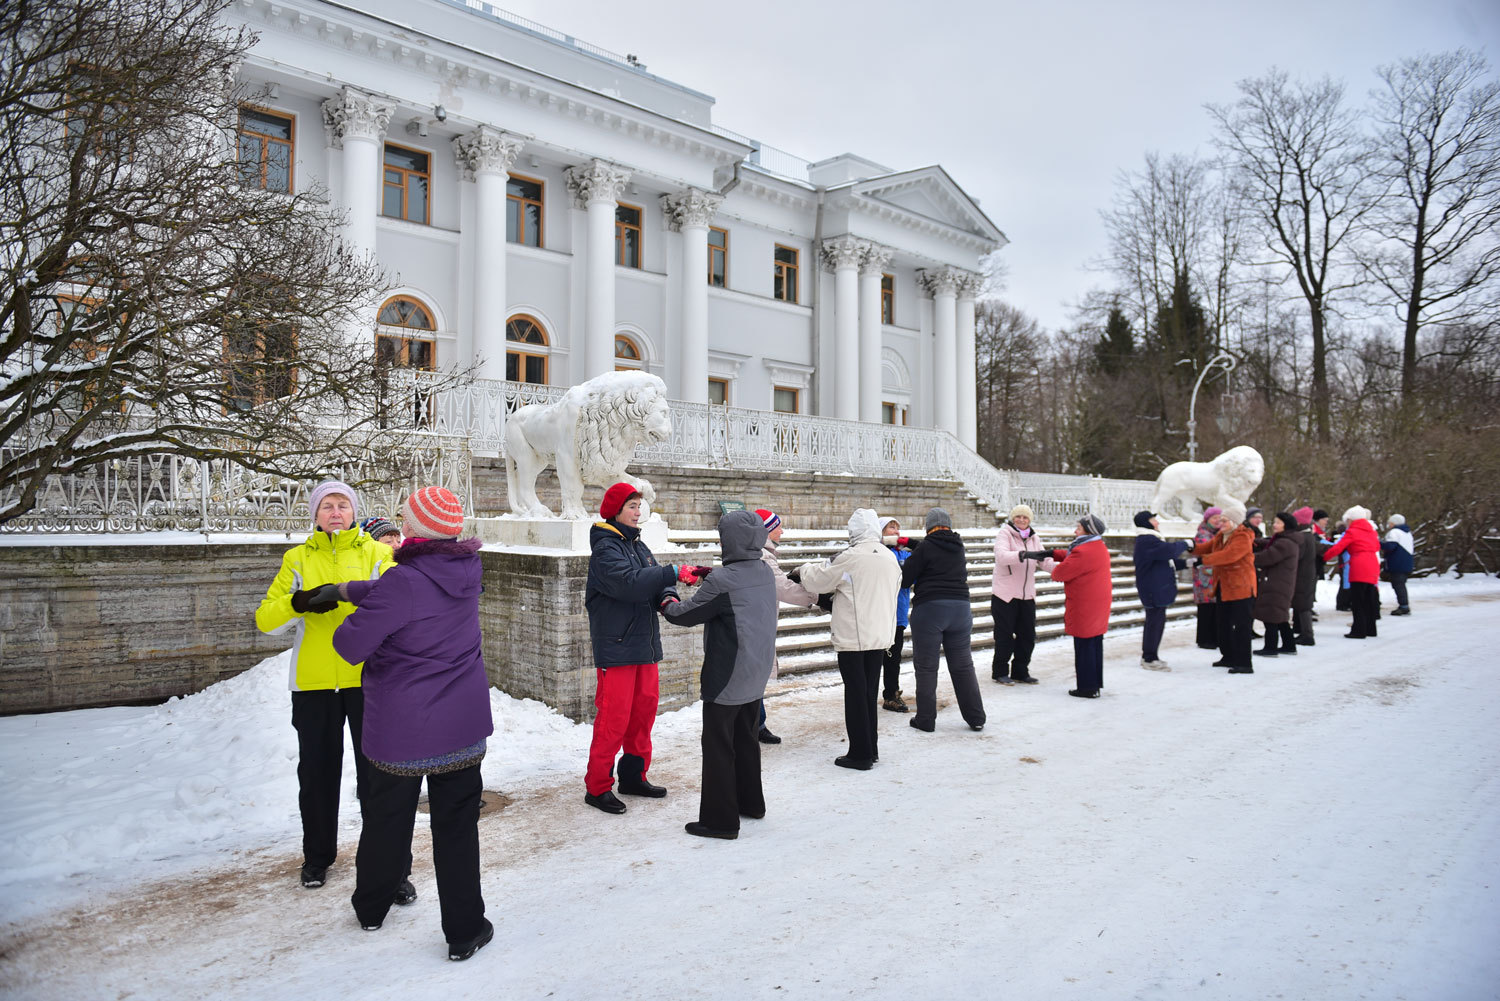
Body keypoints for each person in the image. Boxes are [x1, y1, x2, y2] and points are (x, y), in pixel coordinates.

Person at [331, 485, 495, 962]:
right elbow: (406, 592)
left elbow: (349, 645)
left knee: (386, 821)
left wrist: (355, 614)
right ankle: (465, 931)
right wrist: (347, 589)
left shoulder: (404, 582)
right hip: (461, 729)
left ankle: (372, 908)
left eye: (404, 518)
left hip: (402, 731)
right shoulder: (466, 570)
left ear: (411, 529)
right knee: (457, 830)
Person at [255, 479, 397, 890]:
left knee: (380, 778)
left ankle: (390, 865)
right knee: (317, 777)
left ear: (355, 512)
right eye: (327, 506)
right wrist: (298, 602)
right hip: (314, 686)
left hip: (367, 681)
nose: (336, 512)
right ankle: (318, 857)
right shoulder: (297, 559)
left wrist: (360, 599)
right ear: (315, 514)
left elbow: (397, 603)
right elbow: (266, 620)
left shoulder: (375, 553)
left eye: (343, 505)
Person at [662, 510, 778, 840]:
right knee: (746, 739)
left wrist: (666, 596)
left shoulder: (722, 581)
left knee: (717, 746)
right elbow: (736, 582)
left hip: (728, 676)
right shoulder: (764, 571)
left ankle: (720, 821)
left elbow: (682, 615)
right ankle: (751, 803)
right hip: (756, 673)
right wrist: (706, 574)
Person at [582, 482, 690, 814]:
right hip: (616, 648)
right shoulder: (605, 549)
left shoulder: (638, 545)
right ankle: (598, 787)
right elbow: (628, 584)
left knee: (642, 715)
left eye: (639, 505)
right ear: (615, 510)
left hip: (645, 645)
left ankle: (633, 776)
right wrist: (669, 571)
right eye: (631, 505)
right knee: (613, 719)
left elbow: (655, 581)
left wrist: (668, 596)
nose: (638, 511)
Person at [793, 509, 900, 769]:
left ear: (853, 532)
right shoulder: (889, 557)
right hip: (880, 635)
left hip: (854, 635)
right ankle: (870, 747)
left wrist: (801, 570)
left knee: (855, 694)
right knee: (869, 692)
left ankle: (860, 754)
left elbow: (819, 579)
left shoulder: (850, 557)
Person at [901, 508, 986, 731]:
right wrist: (912, 543)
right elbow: (932, 548)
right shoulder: (958, 546)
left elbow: (904, 579)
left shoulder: (925, 548)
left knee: (927, 667)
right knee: (963, 666)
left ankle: (926, 720)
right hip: (961, 610)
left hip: (930, 610)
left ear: (928, 527)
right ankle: (976, 718)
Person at [1027, 514, 1112, 698]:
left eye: (1079, 528)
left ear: (1088, 531)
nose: (1075, 531)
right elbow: (1073, 556)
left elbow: (1060, 573)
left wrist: (1047, 563)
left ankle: (1087, 688)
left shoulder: (1083, 551)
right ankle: (1095, 683)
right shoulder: (1098, 546)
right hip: (1097, 603)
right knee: (1095, 643)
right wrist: (1052, 553)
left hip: (1085, 605)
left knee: (1084, 646)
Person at [753, 508, 818, 741]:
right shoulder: (762, 555)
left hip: (760, 621)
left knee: (756, 675)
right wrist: (817, 597)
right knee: (756, 675)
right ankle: (755, 725)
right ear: (767, 530)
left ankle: (757, 723)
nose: (782, 530)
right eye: (778, 526)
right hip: (757, 623)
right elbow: (781, 587)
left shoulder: (762, 553)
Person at [990, 504, 1055, 685]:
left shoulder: (1034, 538)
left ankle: (1020, 671)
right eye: (1018, 517)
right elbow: (1001, 556)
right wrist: (1024, 554)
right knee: (1004, 636)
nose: (1021, 520)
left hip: (1027, 595)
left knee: (1027, 636)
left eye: (1025, 518)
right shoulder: (1005, 534)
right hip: (1005, 595)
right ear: (1013, 518)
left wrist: (1061, 570)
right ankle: (1000, 671)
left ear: (1029, 520)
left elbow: (1044, 560)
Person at [1190, 500, 1257, 673]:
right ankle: (1228, 656)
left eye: (1225, 520)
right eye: (1221, 520)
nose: (1221, 523)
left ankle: (1244, 663)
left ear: (1234, 522)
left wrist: (1202, 560)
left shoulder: (1243, 536)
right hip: (1223, 586)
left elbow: (1228, 556)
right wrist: (1191, 547)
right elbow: (1207, 547)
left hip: (1241, 587)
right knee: (1223, 623)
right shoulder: (1221, 535)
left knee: (1241, 626)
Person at [1131, 510, 1190, 670]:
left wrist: (1191, 563)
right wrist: (1186, 543)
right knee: (1154, 623)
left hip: (1155, 587)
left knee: (1156, 622)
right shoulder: (1147, 540)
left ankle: (1152, 655)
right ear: (1146, 523)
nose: (1157, 522)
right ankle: (1149, 658)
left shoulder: (1151, 540)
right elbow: (1170, 551)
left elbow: (1166, 561)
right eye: (1153, 520)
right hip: (1152, 588)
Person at [1324, 505, 1381, 639]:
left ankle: (1359, 630)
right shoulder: (1371, 531)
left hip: (1359, 565)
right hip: (1373, 564)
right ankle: (1370, 628)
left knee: (1357, 600)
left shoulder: (1352, 531)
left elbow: (1338, 547)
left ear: (1350, 519)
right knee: (1368, 598)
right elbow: (1377, 546)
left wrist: (1324, 557)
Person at [1252, 513, 1302, 657]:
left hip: (1276, 584)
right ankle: (1288, 645)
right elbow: (1267, 543)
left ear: (1286, 525)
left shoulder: (1284, 543)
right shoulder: (1284, 540)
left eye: (1278, 523)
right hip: (1281, 582)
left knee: (1271, 616)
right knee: (1280, 616)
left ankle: (1270, 647)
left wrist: (1246, 557)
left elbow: (1267, 557)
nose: (1274, 525)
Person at [879, 517, 913, 711]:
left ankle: (891, 694)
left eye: (898, 529)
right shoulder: (879, 552)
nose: (896, 532)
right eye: (891, 528)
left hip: (898, 616)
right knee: (878, 658)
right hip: (880, 613)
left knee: (893, 659)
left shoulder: (905, 554)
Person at [1191, 507, 1222, 650]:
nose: (1217, 521)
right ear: (1207, 519)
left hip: (1214, 574)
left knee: (1214, 608)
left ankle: (1214, 637)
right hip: (1204, 576)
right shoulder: (1203, 534)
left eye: (1219, 518)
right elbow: (1203, 554)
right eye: (1214, 518)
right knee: (1206, 608)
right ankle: (1204, 639)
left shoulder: (1217, 534)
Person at [1289, 507, 1320, 645]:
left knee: (1303, 605)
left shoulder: (1302, 537)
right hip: (1307, 574)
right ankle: (1302, 631)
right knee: (1304, 604)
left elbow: (1298, 556)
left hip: (1302, 575)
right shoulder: (1309, 536)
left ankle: (1307, 635)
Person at [1383, 514, 1415, 616]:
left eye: (1390, 522)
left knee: (1398, 585)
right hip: (1406, 562)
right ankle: (1404, 605)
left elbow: (1390, 546)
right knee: (1401, 584)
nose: (1389, 524)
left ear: (1393, 523)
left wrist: (1378, 543)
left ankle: (1404, 606)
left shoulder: (1394, 532)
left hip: (1397, 563)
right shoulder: (1407, 533)